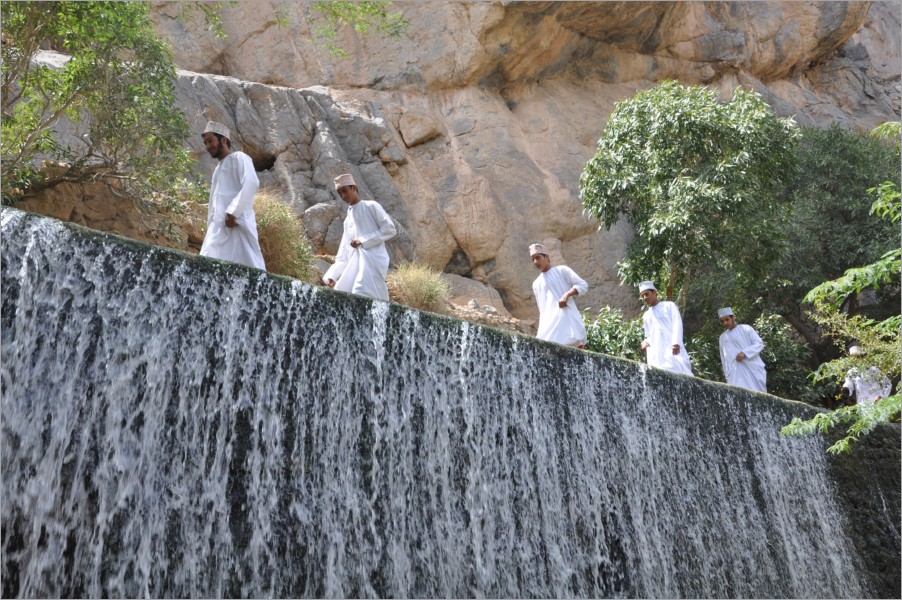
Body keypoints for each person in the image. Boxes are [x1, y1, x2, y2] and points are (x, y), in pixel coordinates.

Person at [198, 121, 266, 270]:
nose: (208, 146)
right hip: (218, 228)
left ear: (223, 140)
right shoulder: (218, 169)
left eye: (210, 141)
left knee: (249, 267)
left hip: (237, 224)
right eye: (205, 143)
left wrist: (233, 212)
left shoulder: (240, 158)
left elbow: (251, 183)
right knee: (207, 265)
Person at [323, 173, 397, 301]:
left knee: (361, 292)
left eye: (345, 191)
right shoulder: (347, 220)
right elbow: (343, 253)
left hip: (373, 262)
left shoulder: (371, 206)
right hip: (353, 267)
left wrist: (362, 241)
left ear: (354, 188)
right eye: (340, 193)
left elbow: (390, 229)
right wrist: (332, 275)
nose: (343, 196)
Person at [529, 243, 589, 348]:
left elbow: (583, 285)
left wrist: (567, 295)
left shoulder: (562, 271)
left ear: (546, 257)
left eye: (538, 258)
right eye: (533, 259)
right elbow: (542, 310)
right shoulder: (536, 284)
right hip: (549, 328)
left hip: (568, 325)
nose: (535, 262)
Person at [638, 281, 693, 375]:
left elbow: (677, 324)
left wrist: (676, 343)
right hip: (658, 354)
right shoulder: (646, 316)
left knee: (681, 373)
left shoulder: (669, 306)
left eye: (647, 294)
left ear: (654, 292)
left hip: (672, 349)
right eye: (643, 296)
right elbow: (649, 336)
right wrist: (645, 342)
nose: (645, 298)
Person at [717, 307, 767, 392]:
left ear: (733, 317)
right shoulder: (722, 337)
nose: (725, 323)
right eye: (722, 321)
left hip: (752, 370)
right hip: (734, 374)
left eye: (727, 319)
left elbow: (759, 344)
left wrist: (744, 353)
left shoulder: (746, 328)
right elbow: (724, 359)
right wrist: (727, 374)